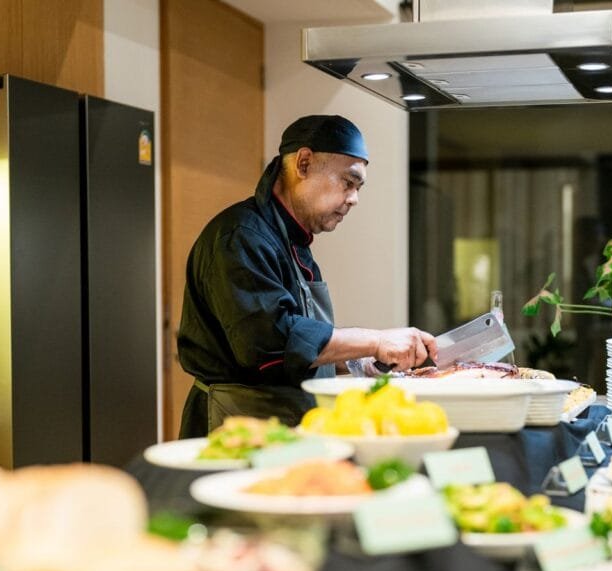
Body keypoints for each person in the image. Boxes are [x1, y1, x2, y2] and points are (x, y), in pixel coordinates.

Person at [177, 114, 437, 438]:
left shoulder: (294, 241)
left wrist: (361, 361)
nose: (354, 198)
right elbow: (272, 345)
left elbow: (300, 353)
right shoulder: (241, 237)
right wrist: (377, 340)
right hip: (231, 426)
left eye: (358, 187)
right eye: (348, 181)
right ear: (303, 163)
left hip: (278, 423)